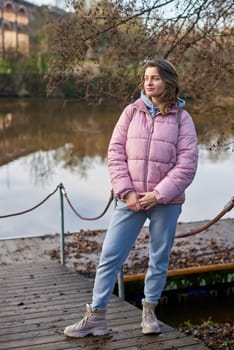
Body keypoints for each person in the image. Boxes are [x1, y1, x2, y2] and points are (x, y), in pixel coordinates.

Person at [64, 59, 198, 338]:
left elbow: (187, 163)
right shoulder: (130, 112)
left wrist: (158, 194)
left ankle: (149, 312)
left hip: (166, 202)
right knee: (109, 256)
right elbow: (115, 154)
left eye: (156, 78)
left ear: (169, 83)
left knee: (158, 258)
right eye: (146, 77)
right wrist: (126, 192)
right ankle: (96, 317)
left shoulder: (182, 119)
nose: (149, 82)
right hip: (130, 200)